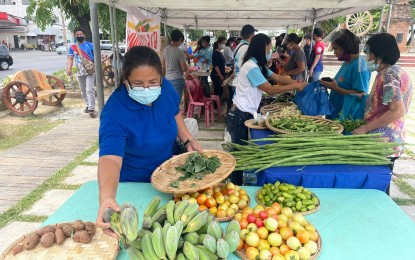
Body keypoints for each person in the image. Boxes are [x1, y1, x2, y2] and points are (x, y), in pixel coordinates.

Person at [96, 46, 202, 237]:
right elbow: (110, 159)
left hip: (167, 175)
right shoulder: (115, 112)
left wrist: (188, 140)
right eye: (138, 83)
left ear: (160, 78)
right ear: (125, 81)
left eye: (153, 82)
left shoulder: (165, 88)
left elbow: (174, 112)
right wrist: (107, 197)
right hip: (135, 184)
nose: (147, 88)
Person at [227, 33, 307, 185]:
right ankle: (235, 186)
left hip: (244, 113)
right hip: (238, 115)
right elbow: (269, 89)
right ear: (262, 47)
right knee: (240, 154)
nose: (270, 50)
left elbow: (277, 78)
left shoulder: (258, 66)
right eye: (269, 47)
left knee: (242, 152)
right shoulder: (251, 67)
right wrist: (295, 86)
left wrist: (295, 81)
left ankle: (236, 185)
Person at [353, 33, 412, 163]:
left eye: (369, 54)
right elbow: (388, 100)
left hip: (383, 143)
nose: (367, 58)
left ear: (379, 57)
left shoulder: (388, 75)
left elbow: (397, 110)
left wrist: (365, 128)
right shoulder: (397, 71)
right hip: (388, 141)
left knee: (378, 179)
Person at [320, 29, 370, 120]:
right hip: (335, 111)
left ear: (346, 47)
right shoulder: (347, 62)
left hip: (345, 116)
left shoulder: (360, 65)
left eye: (336, 48)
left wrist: (336, 88)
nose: (334, 52)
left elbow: (360, 95)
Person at [222, 24, 257, 115]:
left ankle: (229, 126)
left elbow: (237, 67)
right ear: (251, 35)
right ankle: (231, 127)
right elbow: (243, 68)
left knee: (233, 110)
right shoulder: (247, 48)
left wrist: (229, 79)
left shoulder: (238, 46)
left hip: (236, 82)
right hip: (241, 85)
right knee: (237, 113)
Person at [66, 27, 96, 115]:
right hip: (79, 71)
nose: (79, 36)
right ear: (75, 36)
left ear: (84, 35)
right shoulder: (72, 47)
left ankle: (91, 107)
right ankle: (87, 105)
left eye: (80, 34)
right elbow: (70, 59)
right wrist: (69, 69)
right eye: (77, 35)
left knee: (89, 89)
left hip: (89, 70)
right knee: (83, 91)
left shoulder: (90, 45)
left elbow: (97, 57)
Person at [162, 30, 188, 102]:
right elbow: (184, 69)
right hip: (177, 80)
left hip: (167, 79)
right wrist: (186, 68)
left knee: (169, 101)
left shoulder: (165, 49)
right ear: (180, 39)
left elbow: (163, 65)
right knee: (176, 102)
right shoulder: (179, 52)